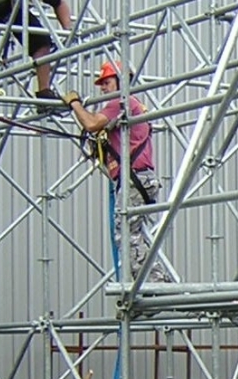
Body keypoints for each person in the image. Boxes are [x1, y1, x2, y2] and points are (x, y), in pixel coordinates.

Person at [62, 61, 171, 283]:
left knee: (126, 234)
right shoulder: (131, 104)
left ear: (122, 81)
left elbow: (92, 123)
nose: (103, 88)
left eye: (107, 82)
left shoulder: (121, 102)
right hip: (138, 179)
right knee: (133, 234)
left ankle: (154, 282)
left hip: (134, 179)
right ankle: (153, 279)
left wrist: (74, 103)